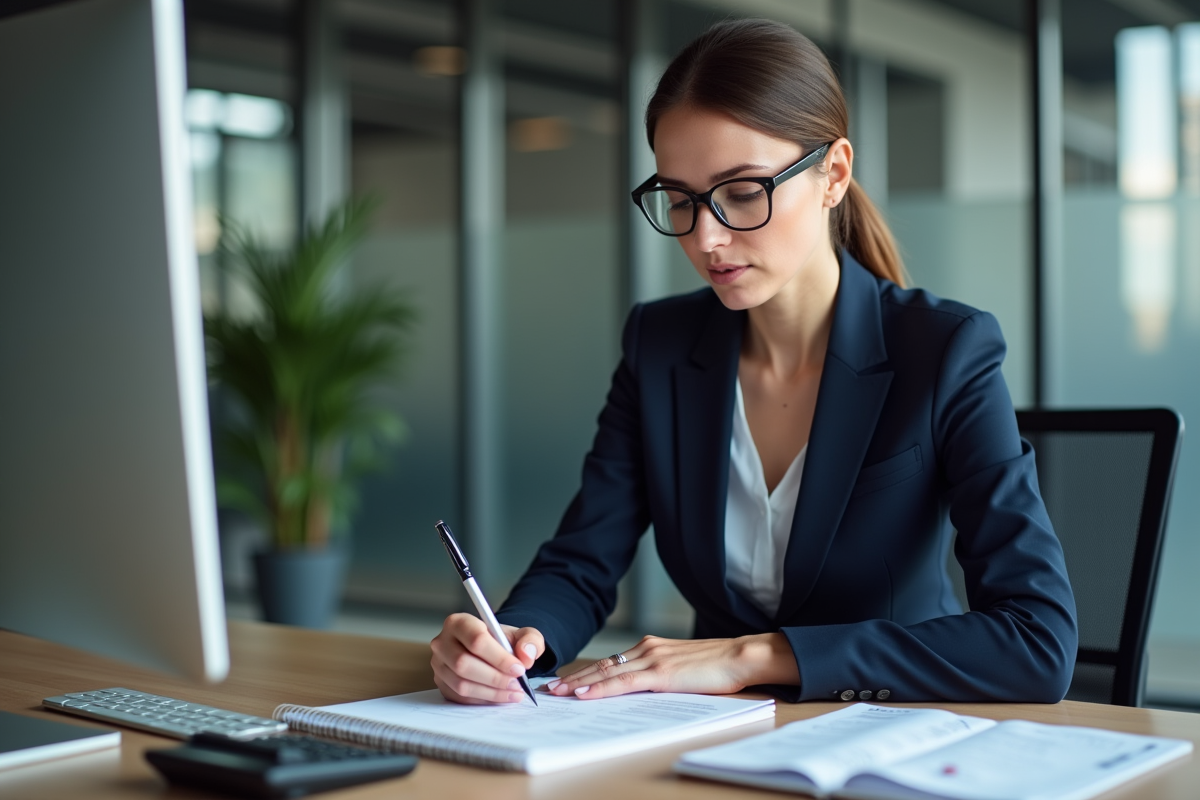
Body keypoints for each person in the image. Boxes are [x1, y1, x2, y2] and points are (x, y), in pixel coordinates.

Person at [430, 18, 1077, 705]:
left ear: (833, 174)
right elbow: (583, 559)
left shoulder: (946, 351)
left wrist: (752, 657)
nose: (706, 237)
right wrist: (515, 643)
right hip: (710, 740)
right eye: (679, 200)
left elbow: (1036, 640)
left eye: (742, 193)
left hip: (887, 735)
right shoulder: (661, 345)